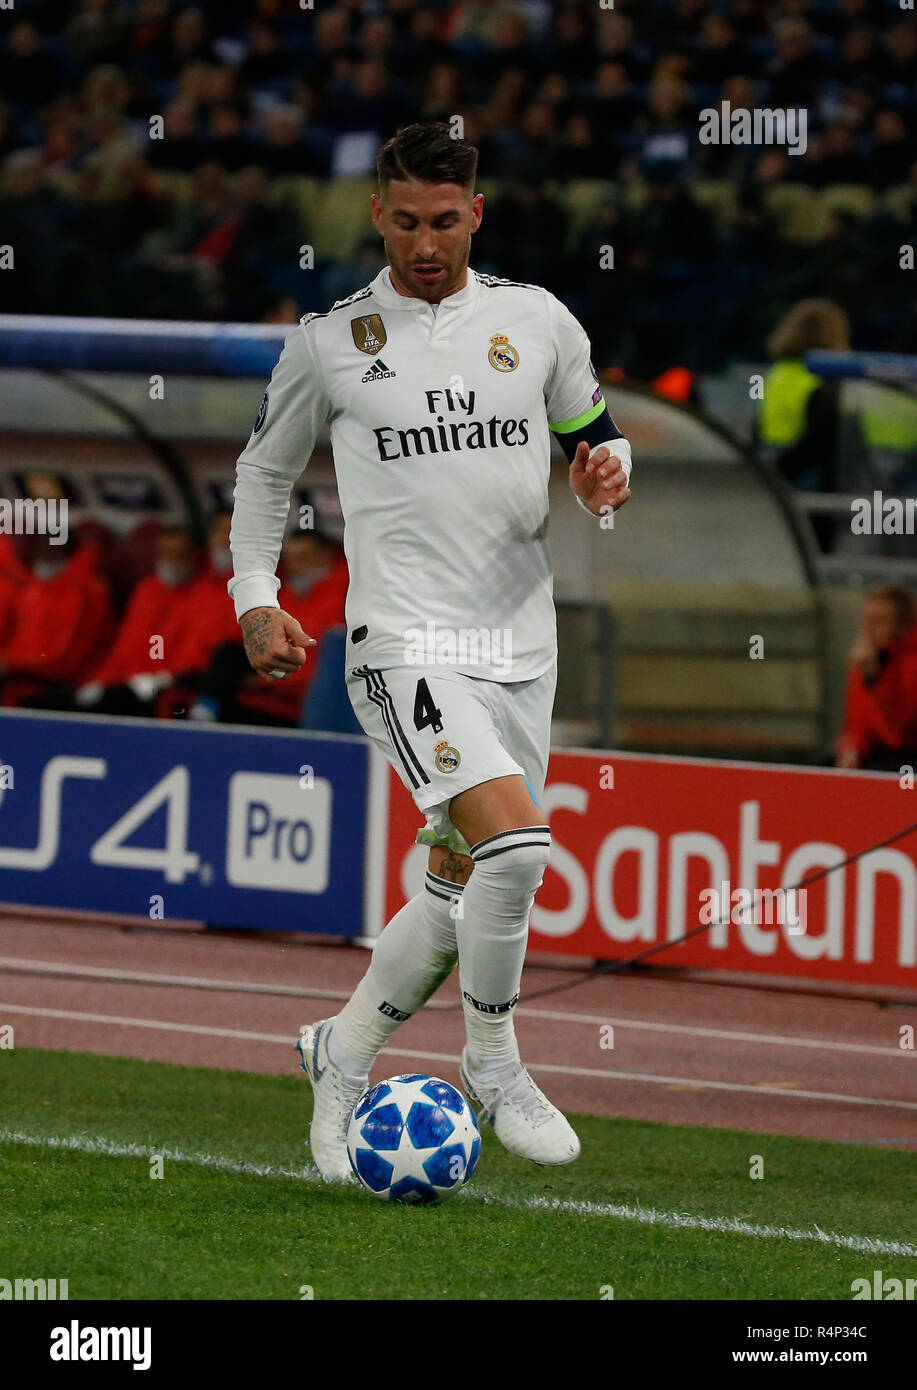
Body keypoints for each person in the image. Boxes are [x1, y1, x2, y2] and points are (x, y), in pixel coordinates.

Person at [229, 122, 633, 1181]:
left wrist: (605, 471)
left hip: (520, 644)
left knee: (459, 886)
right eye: (404, 220)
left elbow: (593, 430)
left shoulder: (535, 319)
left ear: (475, 215)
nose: (423, 241)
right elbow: (265, 475)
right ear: (377, 216)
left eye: (443, 221)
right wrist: (254, 596)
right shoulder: (329, 340)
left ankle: (341, 1048)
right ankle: (493, 1060)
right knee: (517, 847)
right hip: (402, 639)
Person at [836, 584, 917, 772]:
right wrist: (851, 746)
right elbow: (855, 721)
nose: (869, 629)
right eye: (867, 620)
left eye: (879, 621)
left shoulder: (909, 663)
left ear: (903, 625)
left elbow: (900, 734)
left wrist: (874, 680)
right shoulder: (869, 659)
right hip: (876, 756)